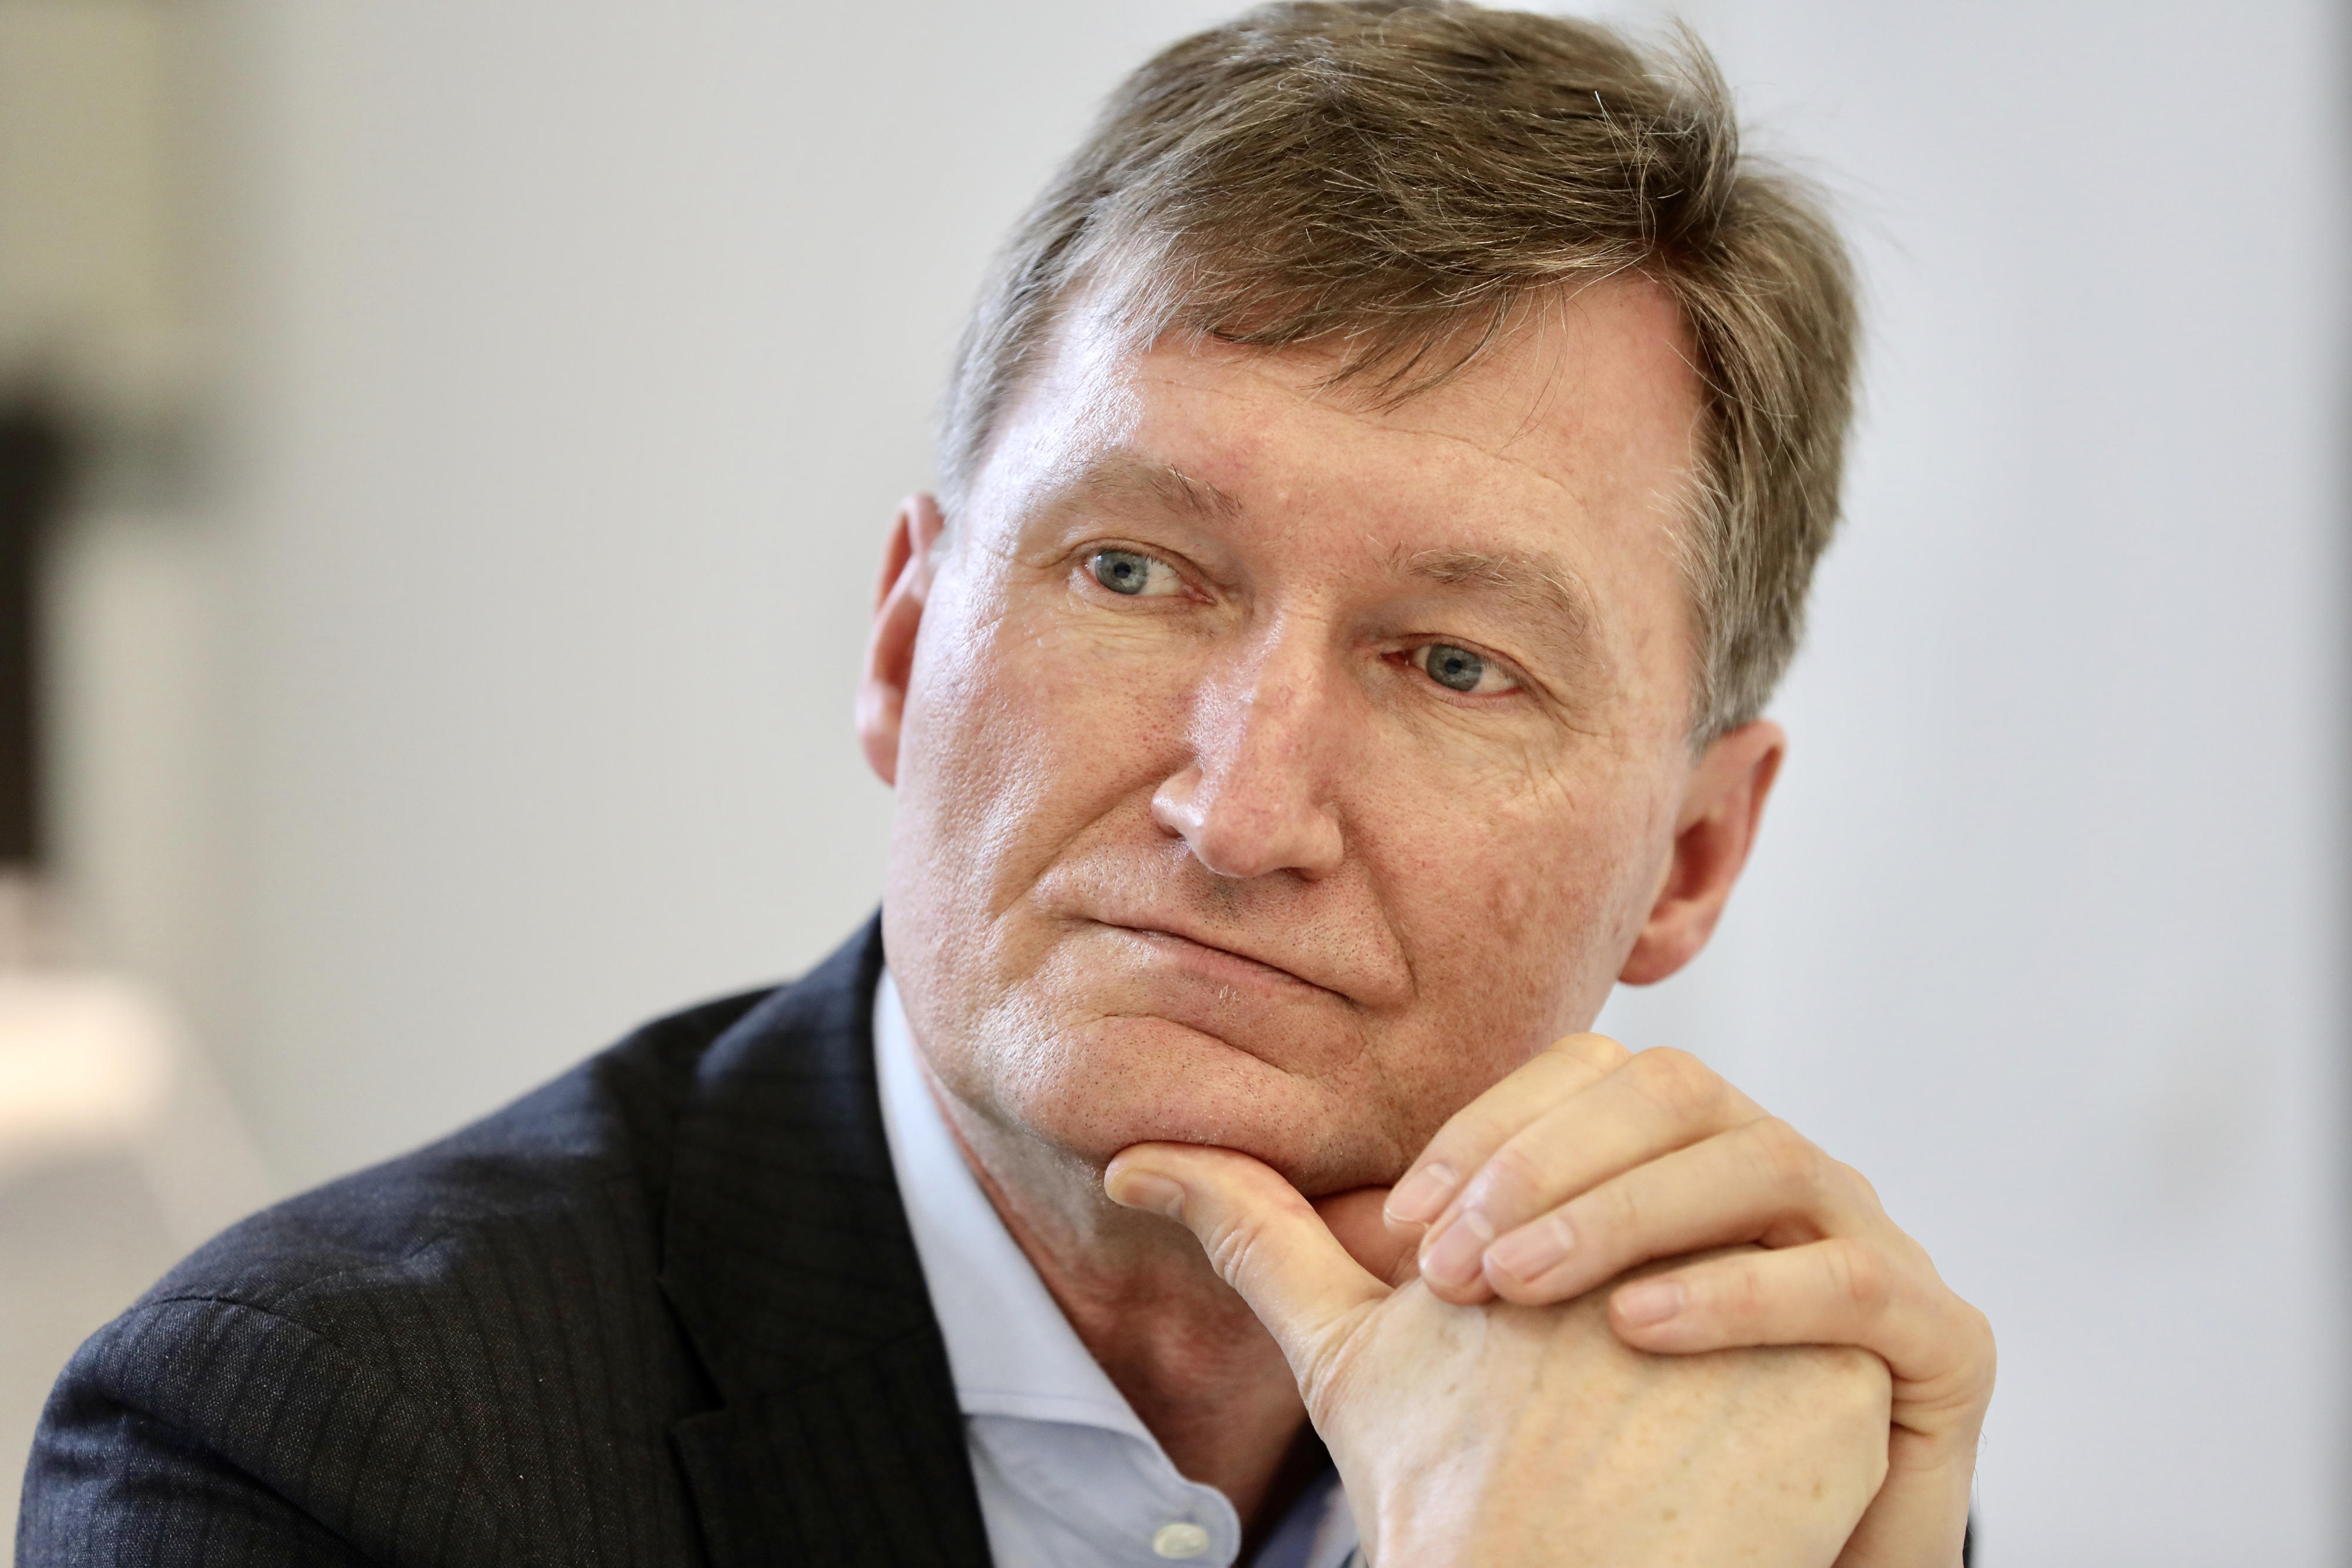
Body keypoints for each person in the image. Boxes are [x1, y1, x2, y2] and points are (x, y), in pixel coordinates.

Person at [19, 3, 1995, 1564]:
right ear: (903, 644)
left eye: (1454, 664)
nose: (1241, 812)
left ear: (1695, 853)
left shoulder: (1722, 1456)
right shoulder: (317, 1442)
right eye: (1132, 572)